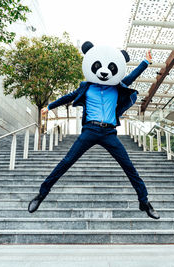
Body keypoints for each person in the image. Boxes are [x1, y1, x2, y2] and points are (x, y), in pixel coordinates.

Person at [28, 41, 160, 219]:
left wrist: (145, 62)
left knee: (129, 166)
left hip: (109, 133)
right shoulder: (87, 87)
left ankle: (144, 202)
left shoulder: (117, 86)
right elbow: (68, 97)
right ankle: (41, 195)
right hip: (90, 130)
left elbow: (133, 76)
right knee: (66, 161)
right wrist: (50, 107)